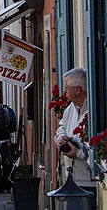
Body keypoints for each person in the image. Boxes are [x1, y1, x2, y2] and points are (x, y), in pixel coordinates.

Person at [55, 67, 97, 209]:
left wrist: (77, 153)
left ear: (78, 89)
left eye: (67, 88)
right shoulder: (70, 109)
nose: (64, 91)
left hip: (90, 181)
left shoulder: (94, 109)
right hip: (72, 179)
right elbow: (61, 128)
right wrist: (60, 138)